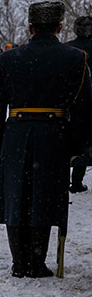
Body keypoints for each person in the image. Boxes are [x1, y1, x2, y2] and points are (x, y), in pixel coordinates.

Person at [0, 1, 92, 278]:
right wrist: (77, 146)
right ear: (59, 27)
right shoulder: (75, 58)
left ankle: (19, 261)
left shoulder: (9, 59)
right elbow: (82, 109)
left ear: (30, 27)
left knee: (16, 196)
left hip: (17, 134)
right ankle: (35, 261)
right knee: (44, 197)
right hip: (54, 135)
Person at [67, 15, 92, 193]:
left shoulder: (67, 48)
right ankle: (77, 180)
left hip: (71, 100)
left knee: (71, 138)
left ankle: (71, 179)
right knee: (87, 139)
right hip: (88, 100)